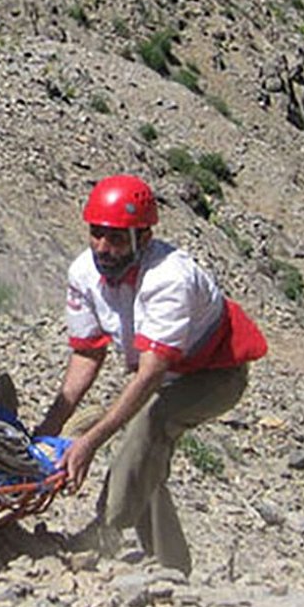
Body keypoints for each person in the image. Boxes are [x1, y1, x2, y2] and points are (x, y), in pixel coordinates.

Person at [34, 174, 267, 575]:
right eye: (97, 235)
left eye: (117, 239)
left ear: (143, 237)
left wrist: (88, 442)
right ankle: (171, 565)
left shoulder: (169, 278)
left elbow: (149, 376)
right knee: (146, 461)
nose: (103, 249)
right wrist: (49, 427)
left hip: (214, 373)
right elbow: (88, 354)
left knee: (149, 423)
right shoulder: (84, 273)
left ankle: (104, 533)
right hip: (162, 371)